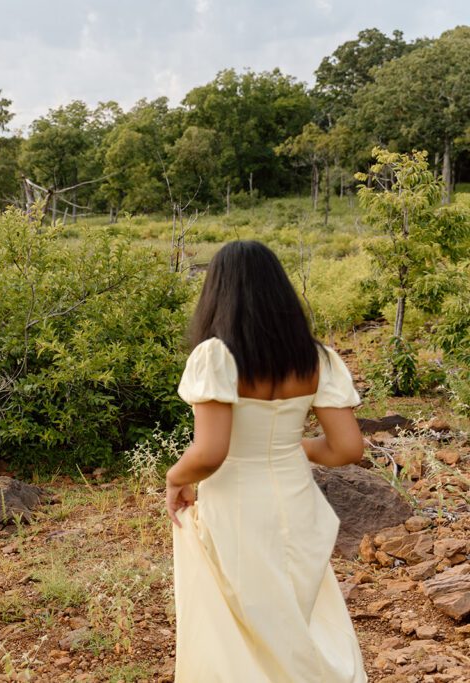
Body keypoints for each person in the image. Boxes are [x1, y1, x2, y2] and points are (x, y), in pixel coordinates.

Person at [165, 241, 368, 682]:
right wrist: (296, 448)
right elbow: (348, 449)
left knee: (246, 620)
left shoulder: (217, 356)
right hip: (297, 501)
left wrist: (174, 477)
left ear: (218, 291)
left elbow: (210, 452)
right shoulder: (316, 358)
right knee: (296, 616)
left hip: (238, 504)